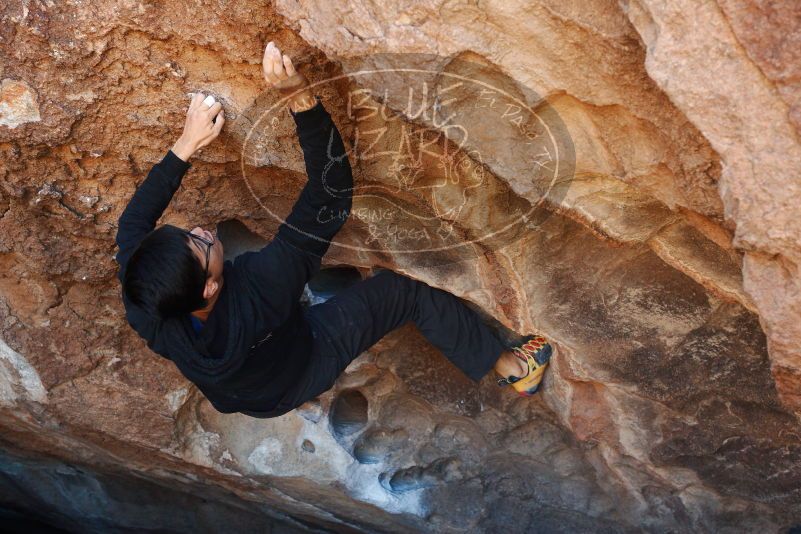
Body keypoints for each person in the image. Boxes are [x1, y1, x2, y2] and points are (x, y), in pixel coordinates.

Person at [115, 42, 553, 419]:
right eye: (201, 244)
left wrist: (186, 144)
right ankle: (516, 369)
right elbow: (330, 194)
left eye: (189, 233)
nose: (202, 230)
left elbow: (132, 225)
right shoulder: (262, 287)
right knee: (404, 294)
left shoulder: (148, 302)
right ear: (210, 289)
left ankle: (285, 331)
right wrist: (298, 97)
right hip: (302, 365)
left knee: (276, 324)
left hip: (242, 392)